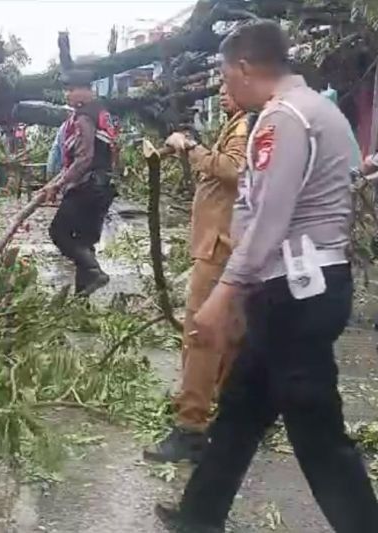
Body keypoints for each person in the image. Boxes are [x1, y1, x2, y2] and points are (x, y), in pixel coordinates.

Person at [157, 21, 378, 533]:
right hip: (301, 286)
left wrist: (225, 293)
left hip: (297, 293)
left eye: (223, 74)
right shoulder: (321, 110)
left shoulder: (284, 118)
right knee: (240, 410)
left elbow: (269, 217)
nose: (223, 85)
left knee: (318, 431)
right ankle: (198, 516)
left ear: (244, 67)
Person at [144, 84, 249, 464]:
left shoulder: (249, 125)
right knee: (231, 336)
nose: (223, 91)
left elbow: (233, 170)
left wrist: (191, 148)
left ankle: (191, 425)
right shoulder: (239, 122)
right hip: (223, 244)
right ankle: (227, 415)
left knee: (201, 333)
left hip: (219, 248)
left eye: (228, 83)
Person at [42, 69, 119, 296]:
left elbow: (83, 158)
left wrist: (57, 184)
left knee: (59, 232)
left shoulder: (85, 116)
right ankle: (81, 301)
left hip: (87, 187)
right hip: (103, 187)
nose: (68, 95)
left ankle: (95, 270)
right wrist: (55, 183)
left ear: (86, 89)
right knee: (84, 243)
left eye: (71, 89)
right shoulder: (103, 113)